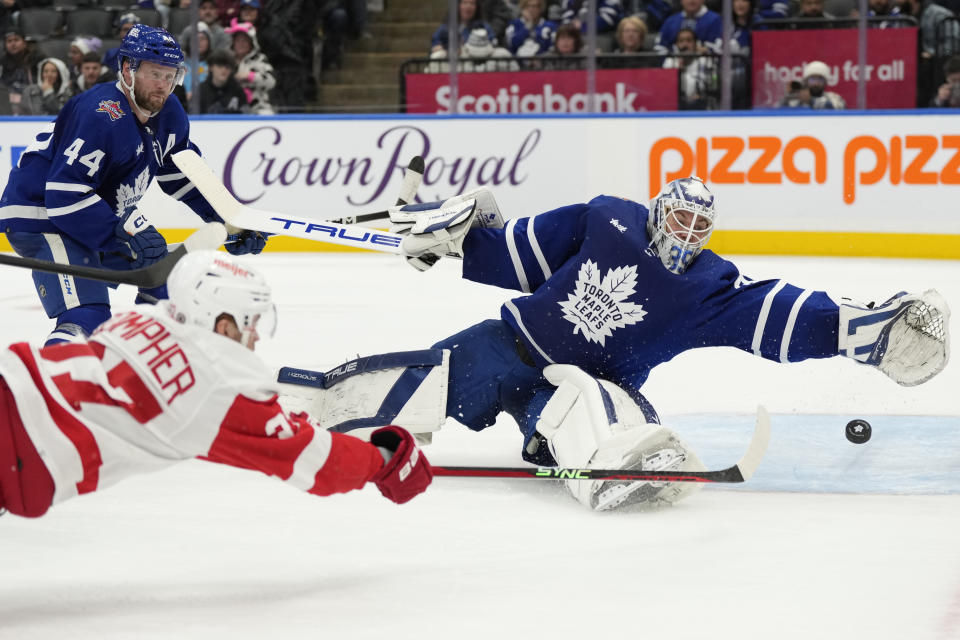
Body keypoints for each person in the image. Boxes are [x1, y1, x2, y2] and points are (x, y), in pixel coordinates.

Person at [312, 179, 949, 512]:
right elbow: (523, 250)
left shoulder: (707, 284)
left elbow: (773, 312)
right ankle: (314, 405)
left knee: (593, 411)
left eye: (701, 226)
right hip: (512, 342)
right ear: (660, 208)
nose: (688, 232)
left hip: (589, 379)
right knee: (423, 382)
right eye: (681, 218)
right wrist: (460, 236)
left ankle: (618, 464)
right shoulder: (605, 218)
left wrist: (852, 329)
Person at [0, 249, 433, 519]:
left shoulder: (143, 318)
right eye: (251, 323)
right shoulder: (222, 389)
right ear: (223, 324)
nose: (257, 337)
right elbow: (318, 463)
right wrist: (383, 461)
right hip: (20, 449)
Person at [0, 25, 268, 347]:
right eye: (155, 74)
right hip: (42, 214)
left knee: (170, 288)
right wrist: (126, 229)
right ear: (128, 69)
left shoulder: (170, 114)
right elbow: (64, 196)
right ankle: (52, 389)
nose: (163, 86)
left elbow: (182, 177)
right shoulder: (102, 114)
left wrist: (228, 219)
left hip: (92, 216)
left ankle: (144, 369)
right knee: (88, 319)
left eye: (171, 76)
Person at [224, 19, 275, 114]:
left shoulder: (260, 59)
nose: (241, 44)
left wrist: (250, 76)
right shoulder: (227, 60)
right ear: (233, 43)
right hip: (232, 107)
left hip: (258, 107)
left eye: (245, 41)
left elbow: (271, 81)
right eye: (238, 41)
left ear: (252, 43)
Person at [662, 27, 717, 109]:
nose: (685, 45)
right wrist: (678, 71)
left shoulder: (705, 60)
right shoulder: (670, 61)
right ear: (676, 44)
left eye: (689, 41)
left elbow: (714, 84)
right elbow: (665, 88)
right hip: (675, 106)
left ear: (695, 44)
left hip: (702, 105)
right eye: (681, 41)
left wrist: (702, 94)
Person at [654, 0, 723, 55]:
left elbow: (717, 49)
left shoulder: (714, 20)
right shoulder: (671, 21)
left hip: (704, 67)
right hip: (673, 66)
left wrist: (700, 50)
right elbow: (659, 47)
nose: (691, 1)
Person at [779, 60, 845, 109]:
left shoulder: (833, 97)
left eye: (820, 80)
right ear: (806, 81)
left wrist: (810, 100)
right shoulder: (795, 101)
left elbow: (838, 107)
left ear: (825, 82)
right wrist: (791, 96)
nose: (816, 83)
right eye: (812, 80)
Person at [199, 47, 248, 112]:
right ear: (211, 67)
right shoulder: (200, 90)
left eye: (227, 67)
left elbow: (246, 112)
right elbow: (192, 115)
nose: (224, 70)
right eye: (219, 66)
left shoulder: (237, 90)